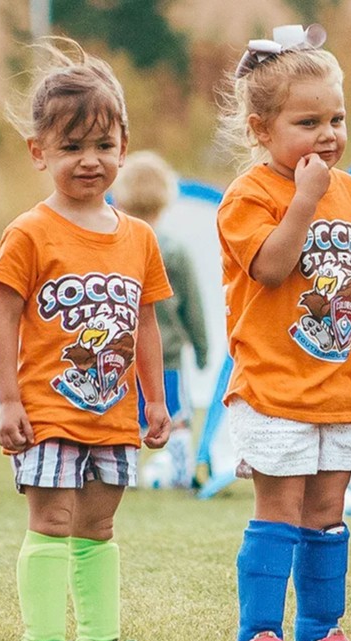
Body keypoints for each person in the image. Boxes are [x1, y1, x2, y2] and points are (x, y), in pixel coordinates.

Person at [215, 24, 351, 641]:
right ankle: (260, 632)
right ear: (260, 130)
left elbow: (336, 270)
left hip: (335, 380)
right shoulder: (248, 195)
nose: (327, 135)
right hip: (273, 383)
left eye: (336, 119)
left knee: (328, 511)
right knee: (280, 508)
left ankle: (322, 629)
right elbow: (273, 268)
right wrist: (303, 201)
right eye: (308, 122)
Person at [0, 38, 172, 641]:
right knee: (53, 523)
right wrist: (8, 399)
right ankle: (42, 640)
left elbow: (145, 325)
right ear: (40, 152)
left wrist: (155, 400)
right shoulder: (30, 231)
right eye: (71, 147)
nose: (89, 160)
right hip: (48, 412)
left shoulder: (140, 237)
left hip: (113, 417)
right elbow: (4, 317)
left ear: (123, 143)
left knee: (98, 527)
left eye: (103, 145)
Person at [113, 150, 209, 488]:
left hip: (123, 358)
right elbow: (193, 307)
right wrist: (202, 349)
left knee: (127, 418)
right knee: (176, 417)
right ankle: (182, 474)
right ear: (166, 197)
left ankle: (127, 475)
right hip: (167, 357)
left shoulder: (114, 245)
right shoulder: (174, 250)